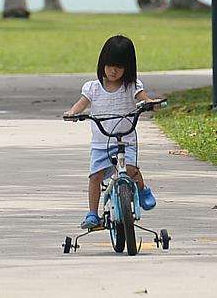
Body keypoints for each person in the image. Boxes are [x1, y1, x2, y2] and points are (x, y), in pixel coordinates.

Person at [63, 35, 161, 229]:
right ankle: (92, 213)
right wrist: (73, 113)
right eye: (109, 66)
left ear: (129, 68)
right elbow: (81, 104)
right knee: (95, 176)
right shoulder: (93, 88)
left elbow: (143, 99)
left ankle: (142, 190)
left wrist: (150, 104)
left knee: (131, 170)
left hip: (126, 142)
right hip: (101, 143)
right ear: (102, 64)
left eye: (119, 66)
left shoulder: (132, 86)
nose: (113, 71)